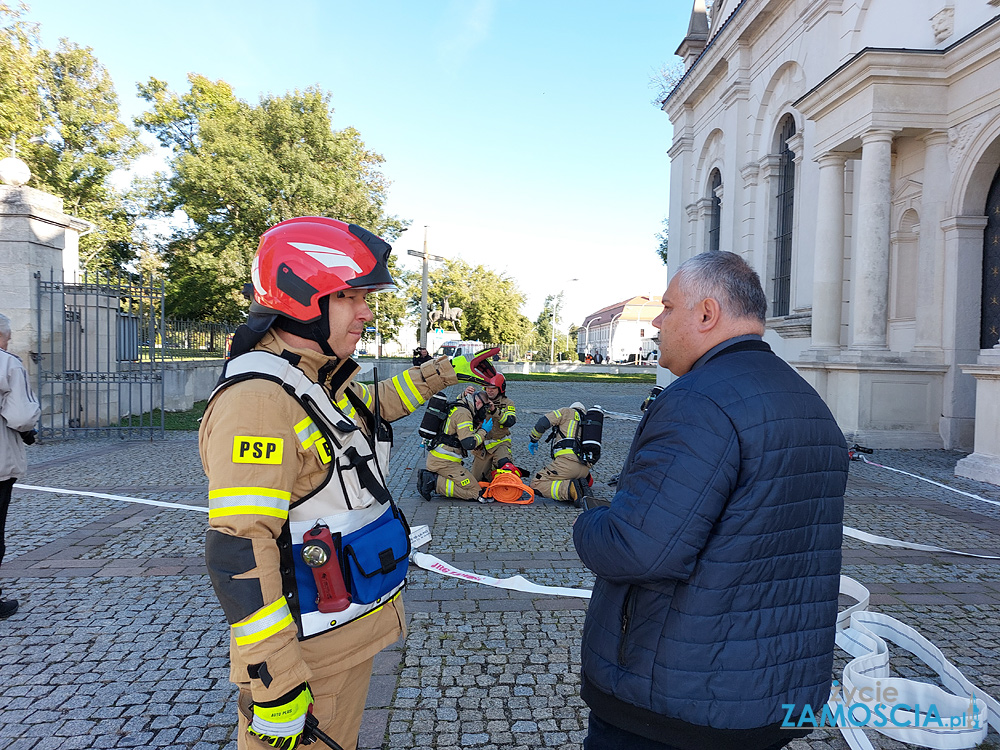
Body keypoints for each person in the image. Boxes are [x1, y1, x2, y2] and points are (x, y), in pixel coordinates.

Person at [199, 217, 488, 750]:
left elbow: (370, 411)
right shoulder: (260, 400)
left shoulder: (313, 377)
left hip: (342, 639)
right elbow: (239, 549)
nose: (367, 311)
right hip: (308, 661)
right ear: (302, 297)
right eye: (351, 296)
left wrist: (447, 371)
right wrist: (276, 681)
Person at [572, 251, 848, 750]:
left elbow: (640, 548)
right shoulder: (808, 400)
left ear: (705, 314)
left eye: (667, 307)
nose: (657, 322)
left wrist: (591, 520)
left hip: (678, 704)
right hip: (773, 696)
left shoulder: (698, 401)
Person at [0, 312, 41, 620]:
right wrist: (29, 431)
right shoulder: (8, 364)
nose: (9, 341)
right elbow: (21, 416)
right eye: (7, 336)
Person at [416, 388, 495, 502]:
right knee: (477, 492)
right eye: (485, 408)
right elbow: (469, 443)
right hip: (444, 463)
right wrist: (484, 431)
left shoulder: (461, 404)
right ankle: (433, 482)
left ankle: (436, 479)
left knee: (471, 485)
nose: (485, 411)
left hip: (442, 460)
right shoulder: (464, 413)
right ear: (478, 403)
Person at [527, 402, 593, 505]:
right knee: (568, 476)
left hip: (566, 464)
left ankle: (568, 489)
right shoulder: (589, 422)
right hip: (585, 470)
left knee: (536, 483)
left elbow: (543, 422)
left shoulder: (566, 412)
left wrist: (534, 439)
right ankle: (580, 484)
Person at [470, 372, 517, 482]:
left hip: (500, 444)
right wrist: (464, 395)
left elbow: (510, 421)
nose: (489, 390)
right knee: (477, 481)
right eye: (487, 388)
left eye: (493, 388)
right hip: (482, 449)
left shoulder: (507, 403)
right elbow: (461, 407)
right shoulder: (479, 400)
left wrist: (495, 410)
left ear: (500, 388)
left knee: (506, 469)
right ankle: (491, 474)